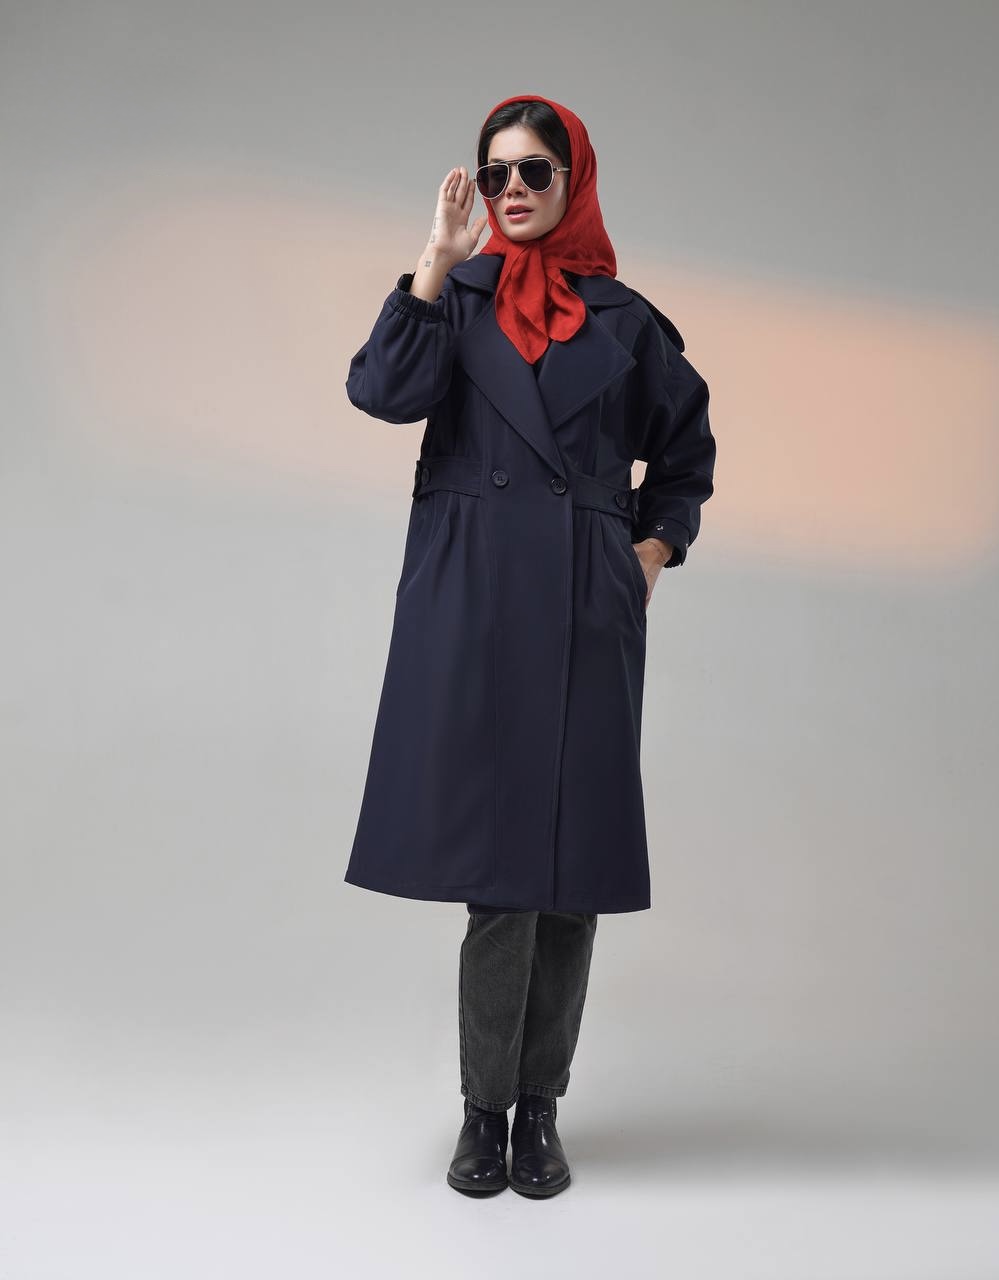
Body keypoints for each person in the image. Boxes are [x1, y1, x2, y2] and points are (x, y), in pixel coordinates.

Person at [343, 94, 716, 1197]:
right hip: (472, 597)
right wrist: (432, 260)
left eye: (533, 172)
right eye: (495, 171)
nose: (511, 189)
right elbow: (380, 393)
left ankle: (540, 1106)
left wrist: (650, 553)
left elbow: (685, 457)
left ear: (572, 181)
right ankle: (484, 1110)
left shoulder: (630, 323)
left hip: (585, 603)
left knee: (571, 868)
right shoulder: (452, 300)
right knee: (500, 872)